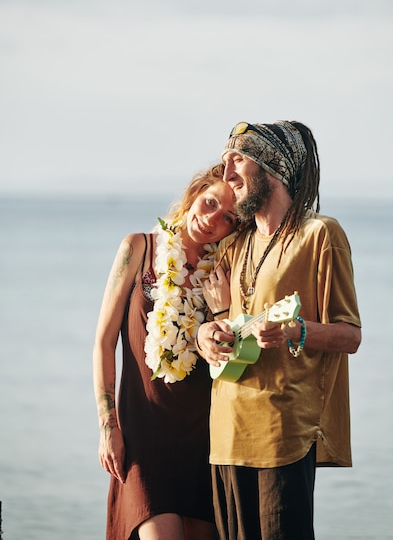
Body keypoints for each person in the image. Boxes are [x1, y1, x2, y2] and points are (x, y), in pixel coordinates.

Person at [196, 121, 362, 540]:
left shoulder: (319, 234)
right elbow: (225, 323)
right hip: (225, 435)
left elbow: (350, 335)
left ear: (272, 168)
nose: (226, 170)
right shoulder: (236, 244)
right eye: (224, 160)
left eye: (238, 160)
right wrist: (204, 337)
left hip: (282, 435)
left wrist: (295, 332)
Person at [93, 163, 240, 540]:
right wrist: (108, 426)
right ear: (194, 195)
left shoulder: (224, 271)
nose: (212, 220)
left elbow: (236, 354)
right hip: (144, 434)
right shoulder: (138, 248)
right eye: (209, 203)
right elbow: (104, 342)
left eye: (227, 218)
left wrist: (223, 310)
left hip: (203, 438)